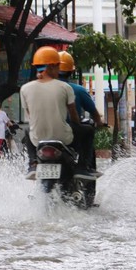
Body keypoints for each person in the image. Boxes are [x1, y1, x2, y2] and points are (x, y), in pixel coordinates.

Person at [20, 46, 97, 180]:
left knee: (27, 130)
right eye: (57, 66)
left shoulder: (25, 89)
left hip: (38, 139)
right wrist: (77, 125)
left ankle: (33, 164)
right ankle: (82, 167)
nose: (58, 69)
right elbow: (74, 116)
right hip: (63, 137)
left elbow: (31, 116)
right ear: (50, 67)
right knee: (88, 130)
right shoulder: (65, 87)